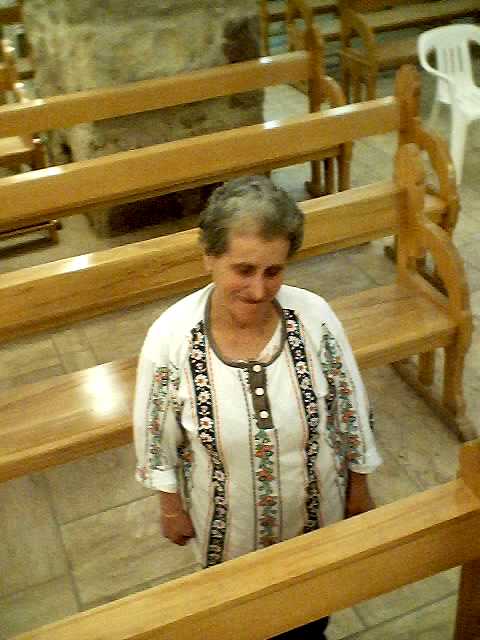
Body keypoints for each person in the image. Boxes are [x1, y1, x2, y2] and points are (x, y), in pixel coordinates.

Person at [133, 175, 382, 639]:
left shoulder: (315, 317)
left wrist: (359, 485)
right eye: (243, 269)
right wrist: (169, 506)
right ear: (209, 256)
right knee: (240, 623)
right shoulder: (171, 337)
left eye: (273, 271)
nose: (258, 289)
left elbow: (350, 407)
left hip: (314, 517)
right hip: (228, 531)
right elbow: (155, 435)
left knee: (310, 617)